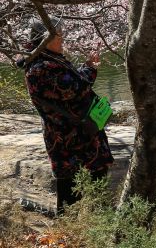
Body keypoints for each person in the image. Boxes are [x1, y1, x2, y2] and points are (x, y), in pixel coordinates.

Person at [18, 19, 113, 215]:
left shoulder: (48, 59)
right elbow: (74, 88)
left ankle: (95, 219)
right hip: (68, 136)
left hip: (76, 132)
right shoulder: (40, 67)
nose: (63, 38)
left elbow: (72, 83)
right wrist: (91, 69)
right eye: (58, 34)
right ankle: (72, 227)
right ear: (45, 38)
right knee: (74, 183)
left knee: (90, 176)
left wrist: (87, 67)